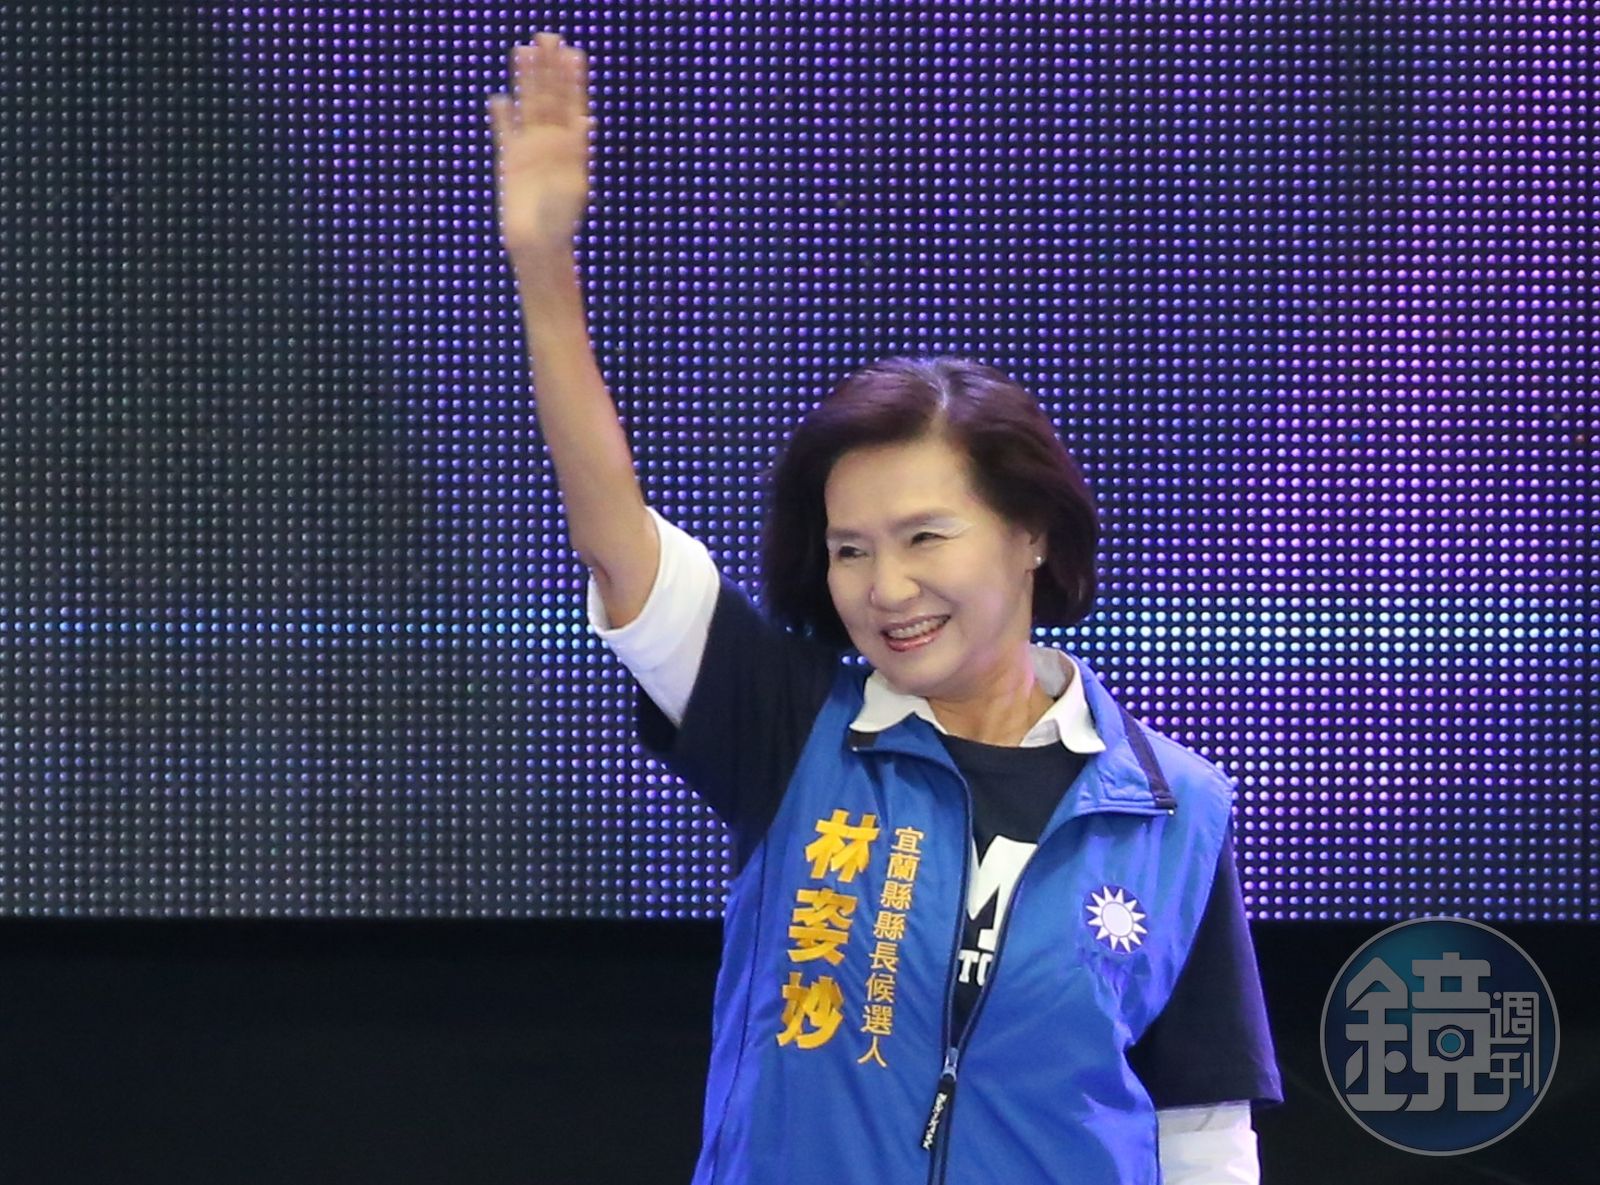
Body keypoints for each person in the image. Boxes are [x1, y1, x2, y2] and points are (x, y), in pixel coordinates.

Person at [489, 32, 1282, 1184]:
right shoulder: (792, 726)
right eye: (849, 550)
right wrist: (544, 271)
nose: (885, 588)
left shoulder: (1175, 805)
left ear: (1030, 533)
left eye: (923, 538)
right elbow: (618, 543)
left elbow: (1200, 1133)